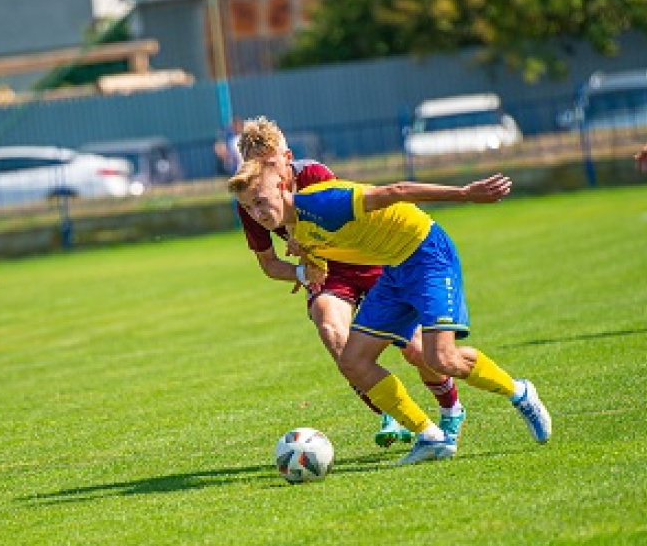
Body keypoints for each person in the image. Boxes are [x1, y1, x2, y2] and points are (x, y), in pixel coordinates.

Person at [228, 159, 551, 466]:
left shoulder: (322, 202)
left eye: (260, 200)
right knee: (353, 361)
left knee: (440, 358)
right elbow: (324, 264)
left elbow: (396, 191)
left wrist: (464, 194)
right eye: (248, 207)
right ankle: (430, 436)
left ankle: (519, 392)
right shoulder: (297, 230)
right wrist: (308, 268)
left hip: (427, 255)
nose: (257, 213)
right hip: (395, 271)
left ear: (283, 185)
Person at [235, 117, 465, 447]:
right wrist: (302, 272)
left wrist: (307, 241)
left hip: (365, 260)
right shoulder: (252, 200)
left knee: (416, 349)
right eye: (258, 167)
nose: (267, 174)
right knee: (331, 331)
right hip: (327, 272)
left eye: (271, 163)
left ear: (287, 157)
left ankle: (451, 410)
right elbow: (269, 264)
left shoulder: (314, 175)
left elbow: (347, 222)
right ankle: (393, 412)